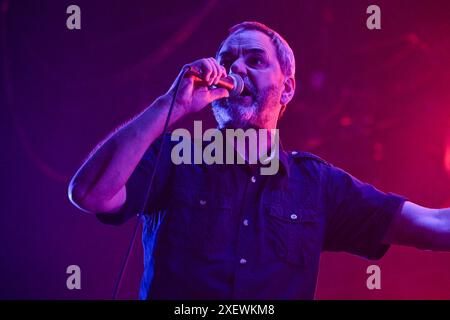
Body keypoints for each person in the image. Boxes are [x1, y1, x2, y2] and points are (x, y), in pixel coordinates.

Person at [68, 21, 450, 299]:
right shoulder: (176, 155)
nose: (236, 69)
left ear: (287, 88)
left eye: (256, 61)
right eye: (228, 60)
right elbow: (90, 193)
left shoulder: (316, 184)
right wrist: (169, 104)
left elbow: (432, 222)